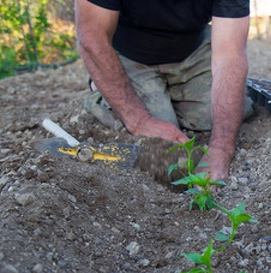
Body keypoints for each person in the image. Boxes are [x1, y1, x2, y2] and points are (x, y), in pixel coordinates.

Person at [74, 0, 253, 182]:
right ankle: (101, 87)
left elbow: (230, 55)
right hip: (129, 53)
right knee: (160, 147)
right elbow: (92, 38)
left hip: (192, 48)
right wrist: (140, 121)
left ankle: (170, 96)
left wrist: (221, 148)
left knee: (231, 112)